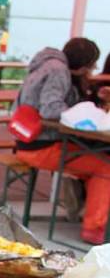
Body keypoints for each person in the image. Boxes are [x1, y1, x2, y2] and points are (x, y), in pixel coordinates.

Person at [13, 37, 110, 245]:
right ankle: (94, 228)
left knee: (99, 160)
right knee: (104, 167)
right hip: (41, 145)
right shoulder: (58, 71)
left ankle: (85, 210)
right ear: (83, 64)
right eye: (90, 65)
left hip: (30, 141)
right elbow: (50, 109)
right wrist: (83, 114)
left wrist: (91, 97)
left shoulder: (48, 63)